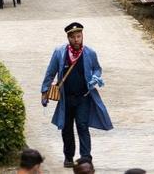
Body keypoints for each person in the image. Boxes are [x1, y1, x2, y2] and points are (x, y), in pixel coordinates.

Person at [41, 22, 112, 168]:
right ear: (68, 38)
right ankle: (68, 157)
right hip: (66, 98)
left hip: (83, 97)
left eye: (78, 36)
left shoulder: (90, 53)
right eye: (73, 37)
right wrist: (44, 91)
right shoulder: (60, 53)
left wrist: (95, 77)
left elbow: (97, 69)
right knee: (66, 128)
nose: (76, 40)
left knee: (82, 126)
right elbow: (50, 72)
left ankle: (86, 157)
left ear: (82, 36)